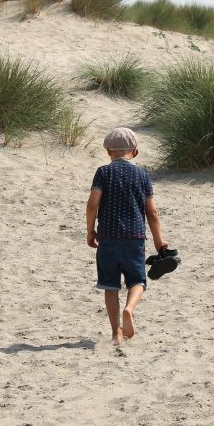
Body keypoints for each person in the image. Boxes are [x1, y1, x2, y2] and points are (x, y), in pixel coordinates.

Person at [86, 127, 168, 344]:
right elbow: (152, 212)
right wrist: (159, 242)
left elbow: (92, 204)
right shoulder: (142, 175)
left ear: (108, 152)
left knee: (110, 286)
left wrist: (90, 231)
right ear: (135, 151)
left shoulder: (103, 172)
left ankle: (116, 333)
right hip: (134, 238)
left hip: (108, 238)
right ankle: (130, 309)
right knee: (137, 281)